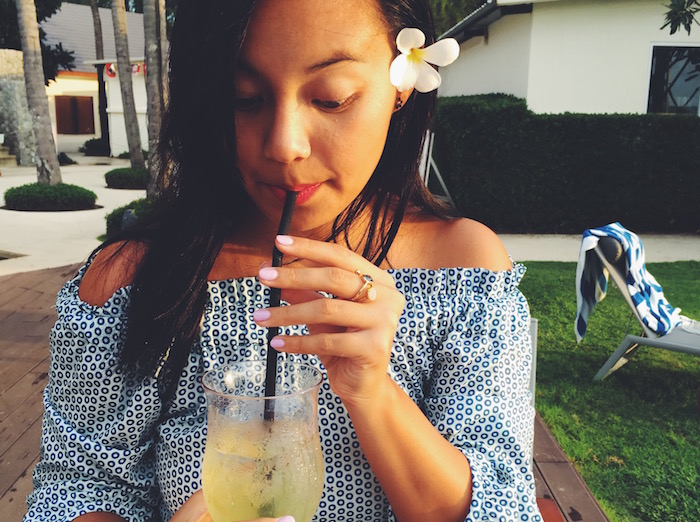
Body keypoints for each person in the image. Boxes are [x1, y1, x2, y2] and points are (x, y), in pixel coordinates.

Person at [24, 0, 542, 521]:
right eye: (244, 98)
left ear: (401, 82)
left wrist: (372, 391)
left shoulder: (464, 273)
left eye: (331, 98)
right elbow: (78, 489)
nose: (283, 145)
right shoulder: (132, 281)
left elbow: (504, 507)